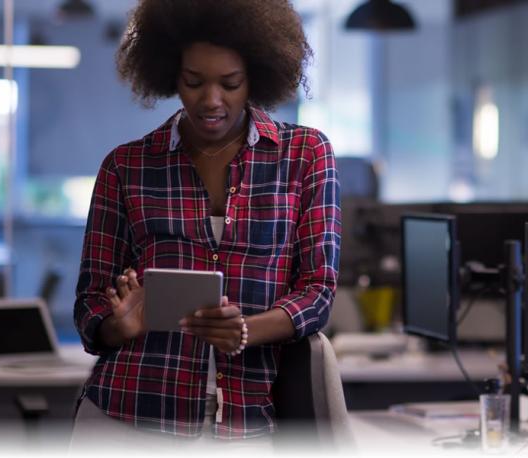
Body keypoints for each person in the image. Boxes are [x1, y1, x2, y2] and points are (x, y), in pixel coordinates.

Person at [70, 0, 340, 447]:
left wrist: (248, 329)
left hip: (244, 422)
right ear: (171, 75)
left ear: (255, 76)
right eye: (193, 82)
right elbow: (89, 304)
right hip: (125, 418)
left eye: (230, 84)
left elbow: (317, 292)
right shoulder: (126, 166)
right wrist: (120, 325)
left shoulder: (304, 155)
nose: (211, 100)